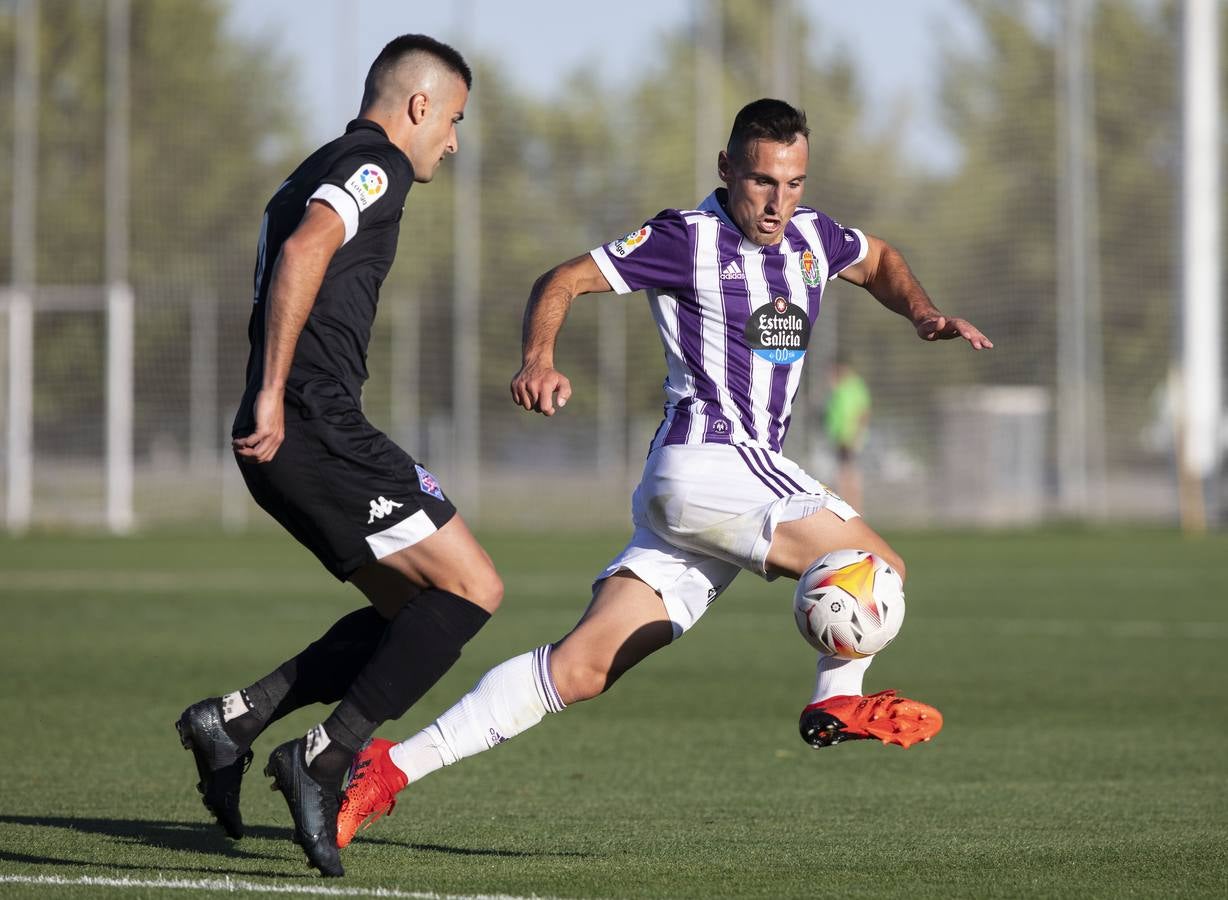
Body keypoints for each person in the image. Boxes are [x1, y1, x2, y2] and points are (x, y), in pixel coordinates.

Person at [335, 98, 993, 848]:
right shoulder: (687, 238)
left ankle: (385, 770)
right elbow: (562, 279)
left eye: (794, 183)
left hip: (702, 497)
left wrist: (922, 313)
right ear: (725, 169)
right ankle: (836, 698)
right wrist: (538, 359)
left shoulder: (814, 237)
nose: (778, 203)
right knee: (879, 568)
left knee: (580, 669)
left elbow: (878, 259)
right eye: (761, 182)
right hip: (708, 459)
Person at [174, 35, 502, 878]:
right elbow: (305, 250)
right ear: (420, 106)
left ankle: (236, 721)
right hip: (311, 424)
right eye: (455, 119)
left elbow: (300, 241)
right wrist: (277, 391)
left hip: (292, 432)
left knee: (412, 618)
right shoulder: (378, 164)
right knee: (473, 589)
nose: (454, 141)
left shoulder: (313, 163)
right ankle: (323, 757)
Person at [824, 357, 871, 510]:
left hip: (850, 436)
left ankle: (853, 508)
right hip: (839, 437)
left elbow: (863, 411)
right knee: (843, 473)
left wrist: (857, 434)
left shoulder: (855, 385)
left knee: (848, 474)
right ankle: (847, 507)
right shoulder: (838, 387)